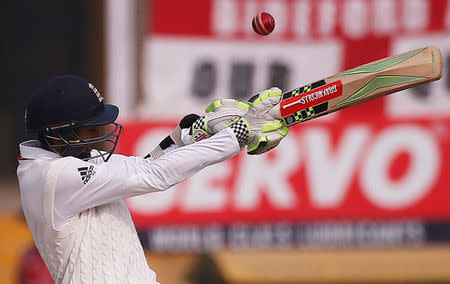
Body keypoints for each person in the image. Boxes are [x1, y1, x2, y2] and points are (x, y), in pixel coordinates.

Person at [17, 75, 289, 283]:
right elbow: (153, 175)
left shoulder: (69, 158)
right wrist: (235, 135)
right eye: (90, 130)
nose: (99, 136)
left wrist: (182, 138)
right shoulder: (54, 177)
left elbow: (143, 164)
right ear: (58, 133)